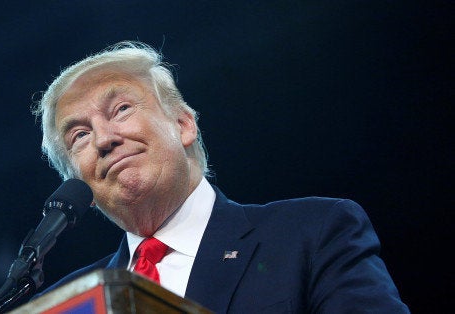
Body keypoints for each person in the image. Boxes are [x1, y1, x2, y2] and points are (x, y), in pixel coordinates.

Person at [29, 41, 409, 313]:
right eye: (79, 135)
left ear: (183, 125)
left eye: (122, 108)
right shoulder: (70, 304)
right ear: (80, 185)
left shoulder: (311, 233)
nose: (104, 139)